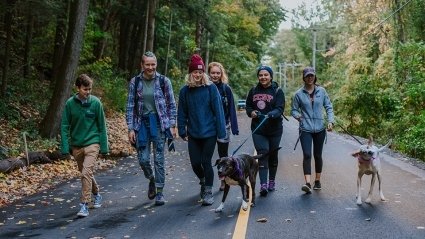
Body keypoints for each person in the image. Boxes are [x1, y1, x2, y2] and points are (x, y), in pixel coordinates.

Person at [125, 51, 177, 206]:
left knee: (159, 159)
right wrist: (130, 128)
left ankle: (160, 193)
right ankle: (152, 179)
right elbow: (130, 106)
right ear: (142, 65)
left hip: (160, 124)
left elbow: (171, 104)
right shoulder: (135, 82)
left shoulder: (163, 81)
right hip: (141, 125)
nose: (150, 67)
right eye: (147, 64)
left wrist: (172, 125)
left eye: (153, 64)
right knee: (143, 159)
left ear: (156, 64)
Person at [177, 54, 226, 206]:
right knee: (195, 163)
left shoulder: (211, 89)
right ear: (190, 73)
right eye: (195, 72)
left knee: (206, 161)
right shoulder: (185, 91)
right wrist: (181, 130)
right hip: (193, 133)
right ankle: (203, 180)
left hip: (209, 132)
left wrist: (221, 132)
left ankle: (208, 192)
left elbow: (218, 111)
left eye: (200, 72)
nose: (197, 75)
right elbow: (182, 112)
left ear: (203, 73)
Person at [61, 74, 109, 217]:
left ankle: (84, 204)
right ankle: (97, 194)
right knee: (85, 173)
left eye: (90, 89)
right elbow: (64, 125)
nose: (88, 92)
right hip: (77, 145)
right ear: (78, 88)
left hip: (92, 143)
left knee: (86, 173)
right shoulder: (70, 104)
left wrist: (104, 147)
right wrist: (65, 147)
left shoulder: (96, 103)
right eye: (85, 89)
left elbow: (102, 126)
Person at [291, 66, 334, 194]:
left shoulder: (322, 91)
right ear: (303, 78)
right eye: (307, 76)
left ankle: (317, 180)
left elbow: (329, 107)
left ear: (315, 77)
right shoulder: (298, 94)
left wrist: (330, 121)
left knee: (317, 155)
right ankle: (307, 183)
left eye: (312, 75)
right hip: (305, 129)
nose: (310, 78)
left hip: (320, 128)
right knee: (307, 155)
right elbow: (293, 110)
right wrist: (298, 117)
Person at [246, 65, 284, 197]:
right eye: (261, 75)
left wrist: (272, 114)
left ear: (271, 76)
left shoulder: (278, 91)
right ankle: (263, 184)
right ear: (258, 77)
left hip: (274, 129)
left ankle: (271, 181)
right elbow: (248, 107)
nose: (263, 77)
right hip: (258, 129)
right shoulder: (253, 91)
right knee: (263, 155)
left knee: (273, 156)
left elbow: (280, 108)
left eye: (266, 75)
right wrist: (252, 112)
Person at [207, 62, 239, 191]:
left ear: (221, 74)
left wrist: (234, 126)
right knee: (207, 156)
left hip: (224, 125)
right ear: (209, 74)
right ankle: (206, 182)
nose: (215, 75)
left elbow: (231, 107)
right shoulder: (205, 87)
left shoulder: (226, 89)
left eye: (217, 73)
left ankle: (223, 181)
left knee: (223, 155)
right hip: (208, 127)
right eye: (213, 73)